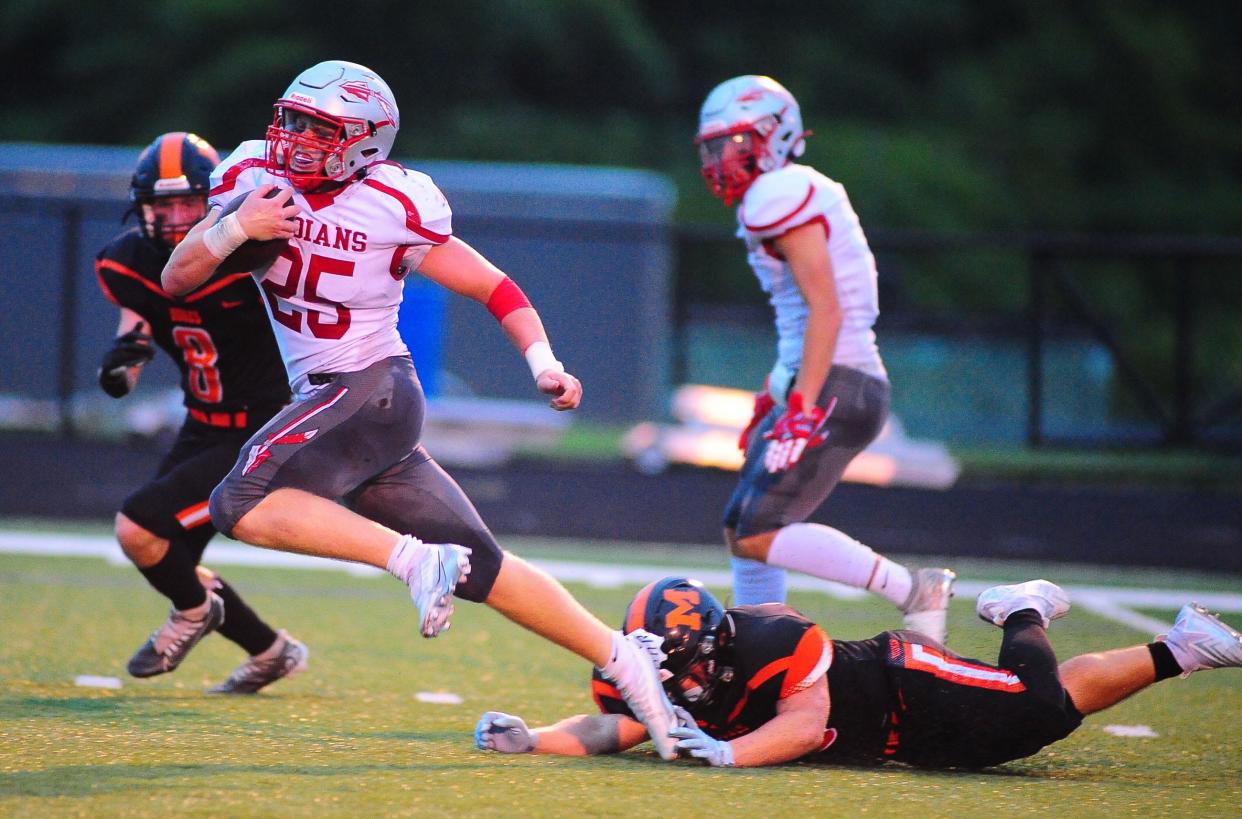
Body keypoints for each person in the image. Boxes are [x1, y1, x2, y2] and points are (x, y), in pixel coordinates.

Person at [158, 59, 678, 756]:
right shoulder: (253, 178)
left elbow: (493, 285)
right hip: (344, 404)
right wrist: (233, 227)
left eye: (320, 128)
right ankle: (628, 661)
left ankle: (414, 560)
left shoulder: (394, 203)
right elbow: (177, 277)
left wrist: (544, 363)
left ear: (366, 142)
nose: (296, 138)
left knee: (237, 503)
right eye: (294, 119)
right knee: (486, 567)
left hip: (372, 389)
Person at [694, 75, 956, 639]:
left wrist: (803, 407)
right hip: (822, 378)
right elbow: (804, 313)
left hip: (841, 381)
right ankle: (760, 641)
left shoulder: (779, 192)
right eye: (714, 146)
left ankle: (913, 589)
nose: (720, 158)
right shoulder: (774, 195)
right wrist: (781, 387)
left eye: (734, 142)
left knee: (760, 529)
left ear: (773, 135)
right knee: (744, 527)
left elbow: (827, 309)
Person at [476, 575, 1242, 768]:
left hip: (904, 683)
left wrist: (728, 752)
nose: (681, 681)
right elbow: (619, 723)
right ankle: (1183, 647)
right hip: (895, 741)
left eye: (687, 662)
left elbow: (806, 726)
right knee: (1029, 722)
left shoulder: (773, 637)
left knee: (1036, 707)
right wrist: (532, 737)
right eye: (665, 667)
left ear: (714, 640)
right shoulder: (664, 670)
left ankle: (1021, 611)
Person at [94, 131, 307, 694]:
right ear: (140, 207)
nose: (175, 217)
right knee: (167, 555)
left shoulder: (252, 258)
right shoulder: (130, 260)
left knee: (139, 529)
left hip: (261, 430)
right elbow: (136, 324)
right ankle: (270, 651)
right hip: (202, 423)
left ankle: (193, 614)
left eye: (189, 202)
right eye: (162, 205)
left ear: (214, 199)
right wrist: (126, 361)